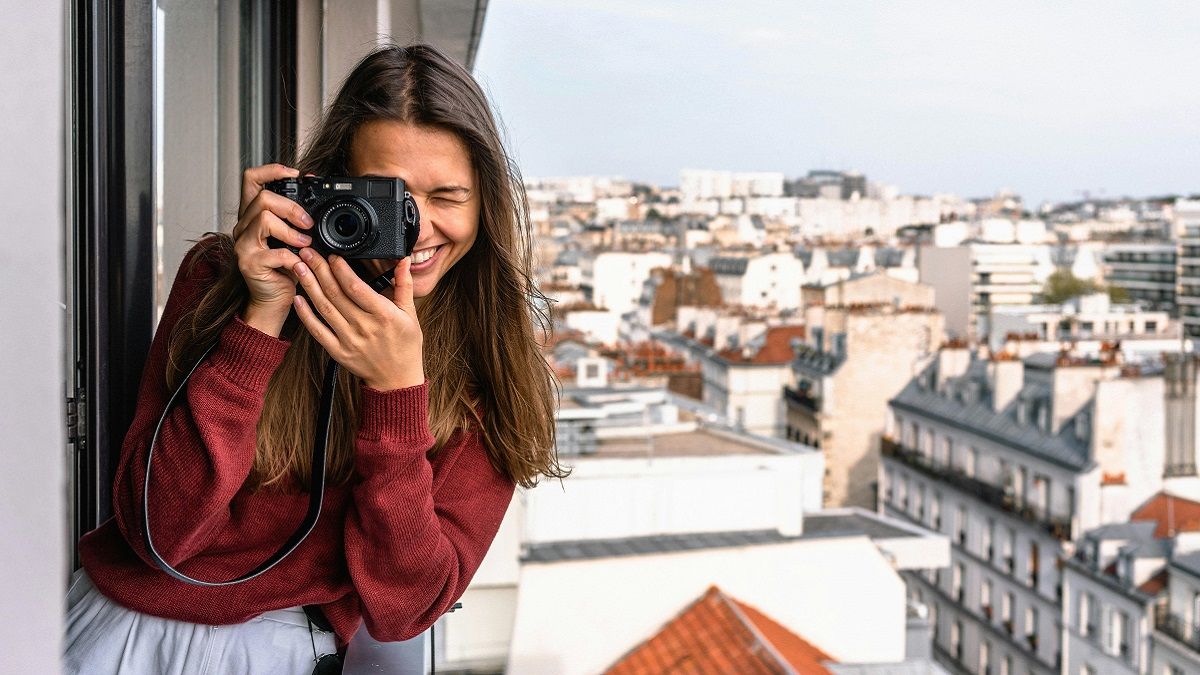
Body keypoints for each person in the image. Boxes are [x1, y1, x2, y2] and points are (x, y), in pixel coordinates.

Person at [64, 43, 568, 674]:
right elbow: (158, 534)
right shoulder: (222, 275)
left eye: (446, 196)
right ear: (330, 183)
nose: (414, 230)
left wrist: (396, 398)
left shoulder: (486, 366)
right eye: (388, 195)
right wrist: (261, 315)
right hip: (117, 631)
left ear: (485, 202)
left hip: (281, 651)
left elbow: (407, 607)